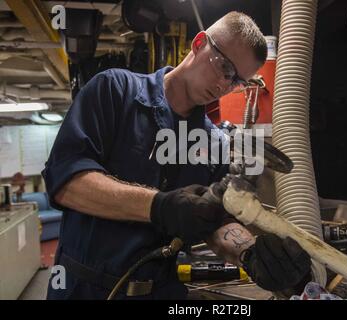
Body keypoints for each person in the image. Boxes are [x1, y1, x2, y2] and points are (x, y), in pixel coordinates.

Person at [42, 11, 311, 300]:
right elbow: (66, 182)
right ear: (198, 44)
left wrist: (250, 252)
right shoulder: (114, 91)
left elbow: (216, 220)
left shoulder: (214, 142)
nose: (224, 85)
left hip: (162, 292)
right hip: (84, 289)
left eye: (237, 81)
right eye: (223, 67)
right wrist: (159, 206)